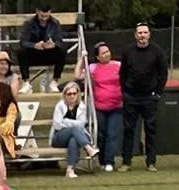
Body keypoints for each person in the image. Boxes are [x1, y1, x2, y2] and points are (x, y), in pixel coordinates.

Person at [119, 22, 167, 171]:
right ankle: (126, 162)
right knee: (129, 130)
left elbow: (163, 73)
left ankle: (151, 162)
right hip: (131, 97)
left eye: (145, 32)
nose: (142, 36)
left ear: (149, 34)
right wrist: (125, 92)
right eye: (140, 33)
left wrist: (158, 92)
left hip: (149, 97)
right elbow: (122, 73)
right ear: (135, 35)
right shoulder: (128, 51)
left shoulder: (157, 51)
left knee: (151, 130)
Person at [82, 42, 122, 170]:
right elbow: (78, 75)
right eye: (104, 52)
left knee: (112, 134)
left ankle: (110, 162)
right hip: (99, 107)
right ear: (98, 57)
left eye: (108, 51)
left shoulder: (118, 65)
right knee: (101, 134)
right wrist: (81, 59)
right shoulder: (93, 67)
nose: (107, 54)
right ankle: (102, 160)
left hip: (116, 106)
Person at [18, 4, 66, 95]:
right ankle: (26, 82)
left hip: (49, 54)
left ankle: (55, 81)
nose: (44, 19)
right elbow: (23, 42)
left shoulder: (55, 23)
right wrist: (34, 45)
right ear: (37, 11)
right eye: (42, 16)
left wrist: (53, 45)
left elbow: (60, 41)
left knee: (62, 51)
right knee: (21, 52)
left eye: (46, 16)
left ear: (50, 12)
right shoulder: (29, 23)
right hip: (33, 54)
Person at [50, 82, 95, 177]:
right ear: (65, 95)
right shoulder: (60, 106)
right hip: (59, 137)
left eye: (74, 93)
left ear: (78, 94)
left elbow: (82, 124)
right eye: (69, 94)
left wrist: (65, 121)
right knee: (74, 130)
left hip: (76, 137)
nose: (72, 96)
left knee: (73, 140)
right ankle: (88, 147)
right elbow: (57, 125)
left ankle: (70, 170)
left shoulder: (82, 106)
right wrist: (72, 126)